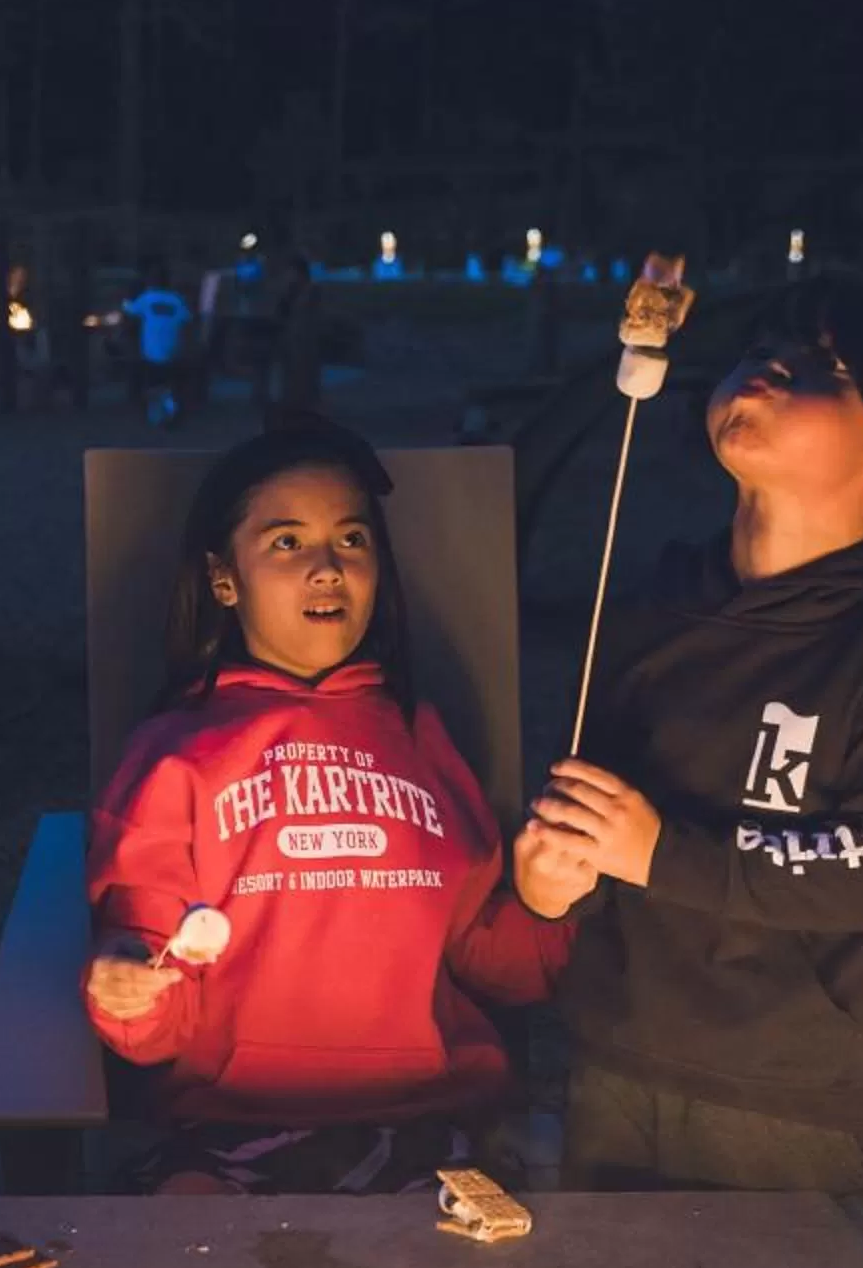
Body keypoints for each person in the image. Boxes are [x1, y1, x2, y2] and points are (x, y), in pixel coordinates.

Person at [529, 274, 863, 1192]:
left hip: (790, 1095)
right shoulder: (651, 613)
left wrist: (661, 851)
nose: (768, 367)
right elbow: (584, 826)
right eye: (761, 349)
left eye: (825, 366)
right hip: (616, 1054)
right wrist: (552, 878)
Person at [81, 421, 581, 1194]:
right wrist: (124, 988)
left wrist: (549, 902)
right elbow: (150, 1010)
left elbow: (502, 969)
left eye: (351, 540)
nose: (327, 568)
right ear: (223, 579)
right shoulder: (176, 754)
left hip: (430, 1123)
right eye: (286, 543)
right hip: (232, 1126)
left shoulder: (418, 736)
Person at [124, 263, 192, 428]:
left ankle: (161, 413)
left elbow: (130, 310)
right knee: (168, 382)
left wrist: (124, 299)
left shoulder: (147, 298)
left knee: (153, 384)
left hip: (151, 350)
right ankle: (169, 410)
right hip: (172, 348)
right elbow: (186, 320)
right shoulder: (177, 300)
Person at [266, 253, 322, 421]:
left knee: (303, 379)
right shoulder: (288, 292)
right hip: (289, 342)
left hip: (303, 343)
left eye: (290, 272)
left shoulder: (310, 291)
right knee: (289, 380)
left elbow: (308, 318)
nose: (287, 276)